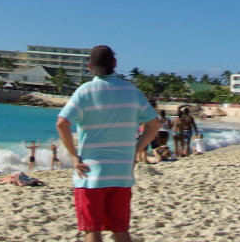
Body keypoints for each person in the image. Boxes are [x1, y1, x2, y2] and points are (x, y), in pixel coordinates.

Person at [56, 45, 161, 242]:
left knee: (92, 230)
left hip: (90, 173)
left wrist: (73, 156)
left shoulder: (85, 91)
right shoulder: (132, 91)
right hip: (121, 173)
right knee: (120, 230)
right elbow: (154, 124)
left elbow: (62, 123)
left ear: (89, 66)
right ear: (114, 64)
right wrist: (137, 151)